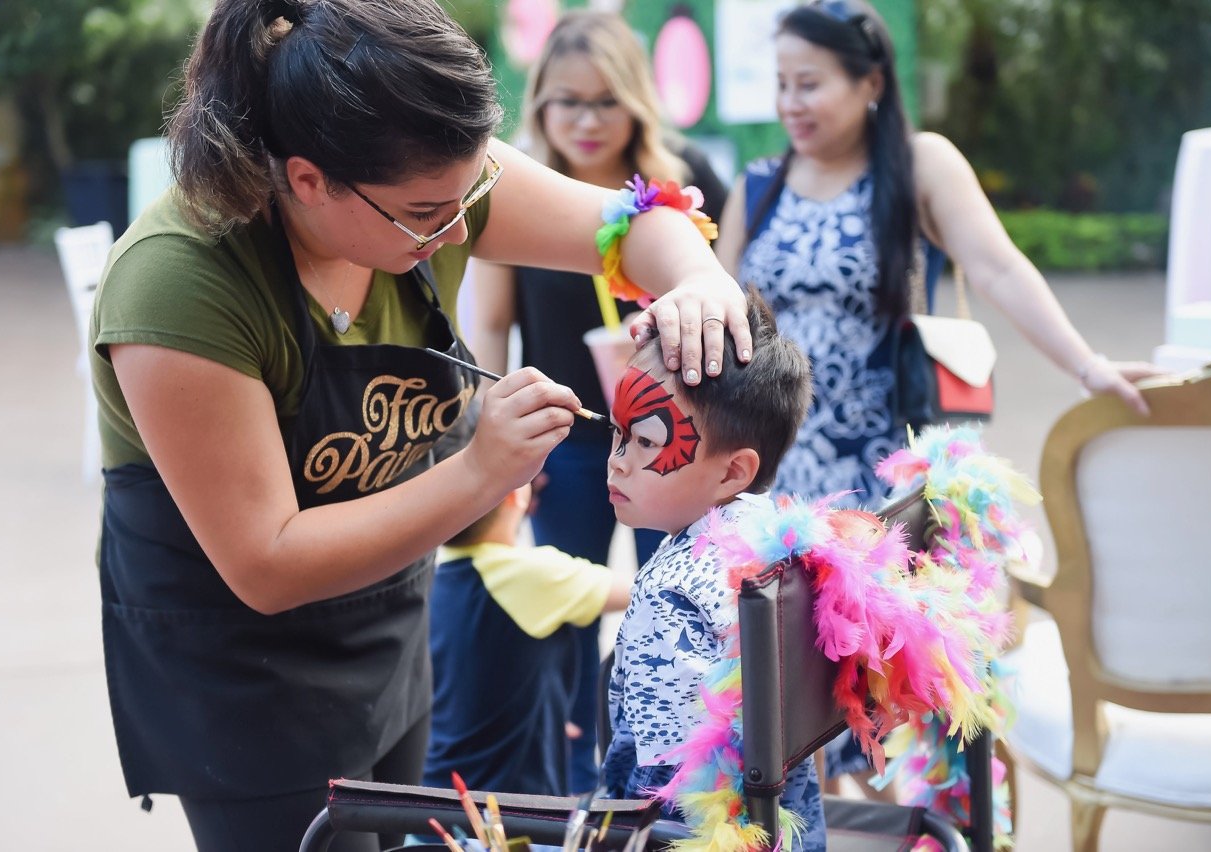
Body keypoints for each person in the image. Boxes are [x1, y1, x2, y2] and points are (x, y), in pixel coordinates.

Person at [88, 1, 752, 850]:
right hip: (239, 682)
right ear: (306, 179)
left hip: (389, 635)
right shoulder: (179, 281)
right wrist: (479, 471)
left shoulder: (432, 180)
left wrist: (698, 278)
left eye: (468, 197)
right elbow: (266, 561)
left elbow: (627, 223)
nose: (458, 227)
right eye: (430, 214)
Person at [711, 0, 1161, 800]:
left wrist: (1087, 366)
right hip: (786, 485)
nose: (791, 104)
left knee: (897, 697)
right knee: (796, 704)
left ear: (871, 82)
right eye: (781, 84)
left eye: (810, 83)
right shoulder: (760, 184)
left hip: (888, 486)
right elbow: (722, 311)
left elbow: (997, 267)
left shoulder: (919, 165)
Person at [465, 10, 729, 794]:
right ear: (539, 103)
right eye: (564, 101)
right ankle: (582, 784)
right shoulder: (512, 193)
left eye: (604, 101)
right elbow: (488, 324)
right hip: (565, 439)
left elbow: (723, 308)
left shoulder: (681, 192)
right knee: (568, 607)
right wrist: (492, 446)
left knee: (674, 605)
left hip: (670, 442)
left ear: (638, 102)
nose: (584, 120)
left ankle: (668, 774)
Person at [601, 289, 825, 849]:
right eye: (616, 431)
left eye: (647, 441)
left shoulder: (669, 594)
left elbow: (664, 791)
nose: (617, 460)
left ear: (733, 473)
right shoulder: (783, 542)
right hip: (793, 829)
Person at [424, 472, 631, 796]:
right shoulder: (530, 575)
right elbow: (644, 591)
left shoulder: (439, 571)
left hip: (436, 791)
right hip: (509, 809)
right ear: (514, 496)